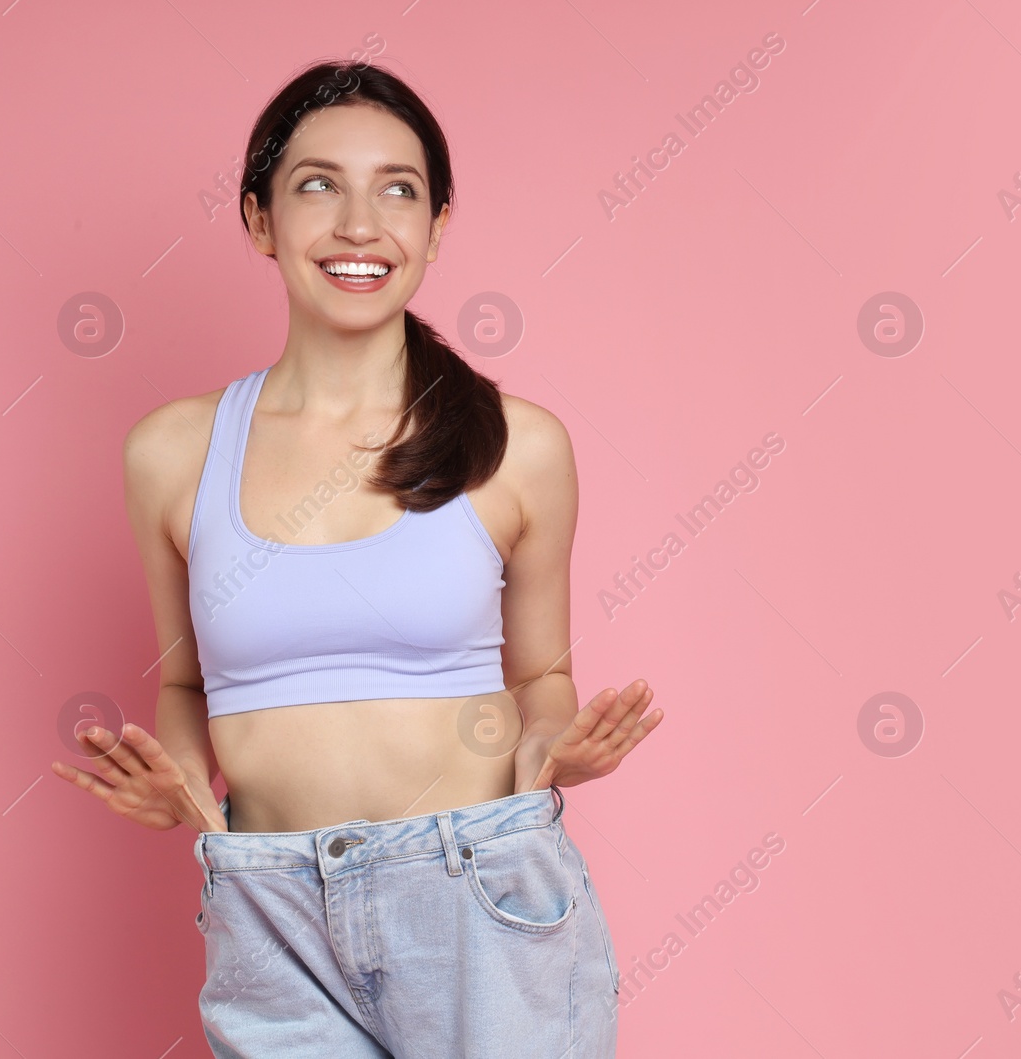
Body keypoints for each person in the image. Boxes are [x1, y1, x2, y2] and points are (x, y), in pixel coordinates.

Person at [50, 57, 662, 1058]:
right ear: (259, 219)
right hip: (270, 909)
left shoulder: (519, 445)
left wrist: (550, 751)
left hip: (482, 903)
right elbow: (185, 682)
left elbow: (541, 675)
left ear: (435, 225)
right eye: (317, 184)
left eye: (397, 189)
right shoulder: (171, 452)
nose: (358, 222)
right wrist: (188, 801)